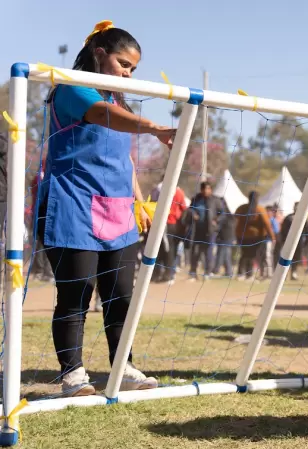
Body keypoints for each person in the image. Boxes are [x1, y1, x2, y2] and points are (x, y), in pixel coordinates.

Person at [38, 21, 175, 396]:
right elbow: (102, 116)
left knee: (121, 295)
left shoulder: (119, 99)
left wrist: (138, 199)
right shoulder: (71, 87)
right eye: (123, 64)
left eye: (133, 68)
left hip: (117, 209)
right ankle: (73, 374)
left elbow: (123, 160)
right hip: (71, 204)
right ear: (99, 55)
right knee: (76, 293)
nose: (128, 73)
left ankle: (124, 366)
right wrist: (153, 127)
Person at [149, 176, 187, 284]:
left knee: (160, 249)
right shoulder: (178, 191)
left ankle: (162, 274)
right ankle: (167, 275)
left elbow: (151, 203)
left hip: (161, 223)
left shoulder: (156, 190)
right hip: (170, 224)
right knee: (169, 250)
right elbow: (184, 208)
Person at [187, 182, 223, 280]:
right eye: (203, 189)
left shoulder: (216, 200)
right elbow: (190, 209)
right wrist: (193, 213)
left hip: (210, 231)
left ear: (210, 189)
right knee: (195, 252)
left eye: (208, 189)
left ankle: (207, 272)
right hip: (197, 230)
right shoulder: (196, 199)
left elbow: (222, 213)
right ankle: (193, 272)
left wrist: (216, 220)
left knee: (209, 252)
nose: (205, 191)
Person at [235, 191, 275, 280]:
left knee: (245, 255)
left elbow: (235, 219)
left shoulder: (241, 208)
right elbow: (267, 224)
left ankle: (241, 273)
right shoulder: (260, 209)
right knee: (252, 255)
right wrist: (272, 237)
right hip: (256, 237)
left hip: (242, 236)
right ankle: (249, 274)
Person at [279, 202, 308, 281]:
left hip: (299, 242)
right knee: (286, 257)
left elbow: (307, 230)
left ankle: (293, 273)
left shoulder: (304, 217)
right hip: (288, 241)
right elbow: (283, 230)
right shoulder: (288, 218)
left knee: (296, 258)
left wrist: (307, 241)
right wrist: (282, 240)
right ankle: (283, 274)